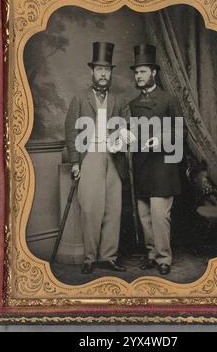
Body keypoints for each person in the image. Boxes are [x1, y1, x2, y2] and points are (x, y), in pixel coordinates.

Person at [65, 41, 130, 274]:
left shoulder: (119, 100)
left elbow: (125, 127)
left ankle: (108, 257)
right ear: (92, 72)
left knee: (113, 208)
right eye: (100, 69)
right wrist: (75, 162)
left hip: (114, 158)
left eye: (108, 70)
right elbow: (71, 131)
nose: (104, 74)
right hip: (89, 156)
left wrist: (120, 140)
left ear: (111, 73)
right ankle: (90, 258)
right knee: (91, 209)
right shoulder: (80, 99)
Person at [129, 44, 183, 275]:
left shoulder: (169, 100)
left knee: (160, 217)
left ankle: (164, 258)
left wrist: (161, 140)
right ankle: (151, 254)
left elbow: (181, 133)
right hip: (141, 166)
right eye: (136, 72)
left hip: (162, 167)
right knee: (144, 216)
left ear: (153, 73)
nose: (138, 76)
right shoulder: (131, 104)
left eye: (142, 72)